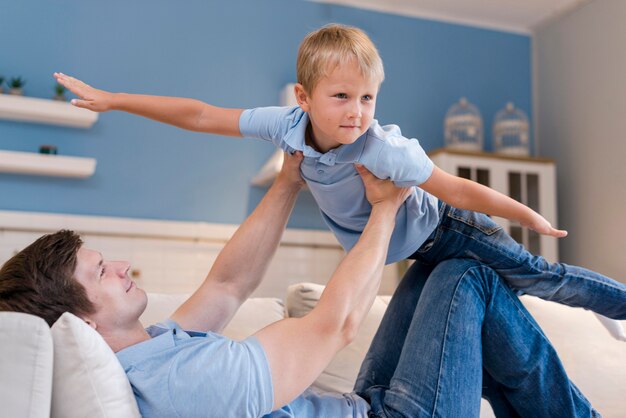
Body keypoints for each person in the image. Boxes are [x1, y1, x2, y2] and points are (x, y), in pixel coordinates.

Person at [52, 24, 626, 323]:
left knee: (536, 276)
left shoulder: (384, 150)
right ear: (303, 97)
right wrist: (116, 99)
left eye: (369, 97)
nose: (357, 111)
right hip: (409, 255)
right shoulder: (285, 126)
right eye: (343, 96)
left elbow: (457, 189)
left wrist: (530, 215)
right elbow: (202, 114)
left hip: (449, 229)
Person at [0, 152, 599, 417]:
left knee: (436, 269)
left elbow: (228, 284)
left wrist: (288, 180)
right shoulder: (182, 386)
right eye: (99, 271)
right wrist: (386, 208)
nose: (121, 267)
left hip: (369, 405)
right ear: (83, 322)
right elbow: (331, 325)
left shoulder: (152, 352)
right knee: (466, 274)